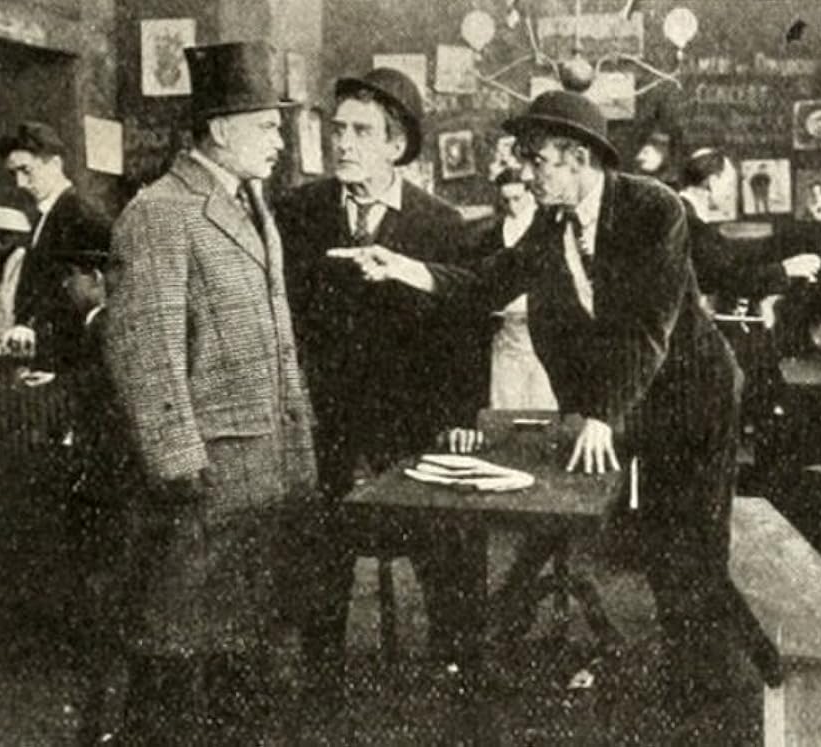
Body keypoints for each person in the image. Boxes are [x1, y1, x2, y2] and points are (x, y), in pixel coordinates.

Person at [330, 91, 776, 735]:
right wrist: (403, 267)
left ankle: (713, 714)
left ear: (578, 159)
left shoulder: (655, 208)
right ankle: (685, 693)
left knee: (694, 552)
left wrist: (600, 415)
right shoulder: (553, 222)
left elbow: (650, 326)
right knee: (661, 549)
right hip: (632, 404)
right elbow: (486, 283)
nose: (526, 173)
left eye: (537, 161)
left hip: (693, 400)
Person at [104, 41, 318, 744]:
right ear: (221, 129)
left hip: (261, 472)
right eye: (268, 126)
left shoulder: (249, 202)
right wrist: (176, 465)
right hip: (206, 482)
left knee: (239, 649)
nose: (280, 140)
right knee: (174, 649)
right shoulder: (161, 212)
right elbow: (147, 352)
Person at [275, 67, 480, 705]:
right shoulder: (297, 214)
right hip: (326, 422)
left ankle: (459, 690)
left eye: (361, 131)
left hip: (415, 425)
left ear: (397, 144)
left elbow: (465, 331)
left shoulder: (442, 225)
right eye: (338, 129)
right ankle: (321, 693)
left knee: (447, 562)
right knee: (320, 559)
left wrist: (461, 416)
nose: (342, 142)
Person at [51, 242, 137, 746]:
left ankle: (102, 713)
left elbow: (94, 396)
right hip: (106, 472)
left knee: (102, 589)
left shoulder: (106, 326)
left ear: (97, 279)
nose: (67, 288)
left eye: (73, 278)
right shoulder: (103, 324)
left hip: (107, 477)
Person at [0, 121, 111, 370]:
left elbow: (90, 298)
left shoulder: (80, 215)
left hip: (68, 360)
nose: (20, 183)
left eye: (26, 170)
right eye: (14, 174)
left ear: (55, 164)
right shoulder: (46, 215)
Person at [678, 147, 821, 309]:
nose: (733, 192)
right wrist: (786, 270)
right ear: (712, 182)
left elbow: (729, 255)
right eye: (730, 184)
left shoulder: (687, 214)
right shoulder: (689, 221)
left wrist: (783, 249)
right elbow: (724, 278)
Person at [486, 168, 557, 409]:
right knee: (507, 398)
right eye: (506, 201)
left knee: (542, 397)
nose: (512, 206)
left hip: (542, 324)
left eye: (517, 198)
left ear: (529, 193)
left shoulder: (548, 225)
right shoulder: (493, 233)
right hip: (507, 327)